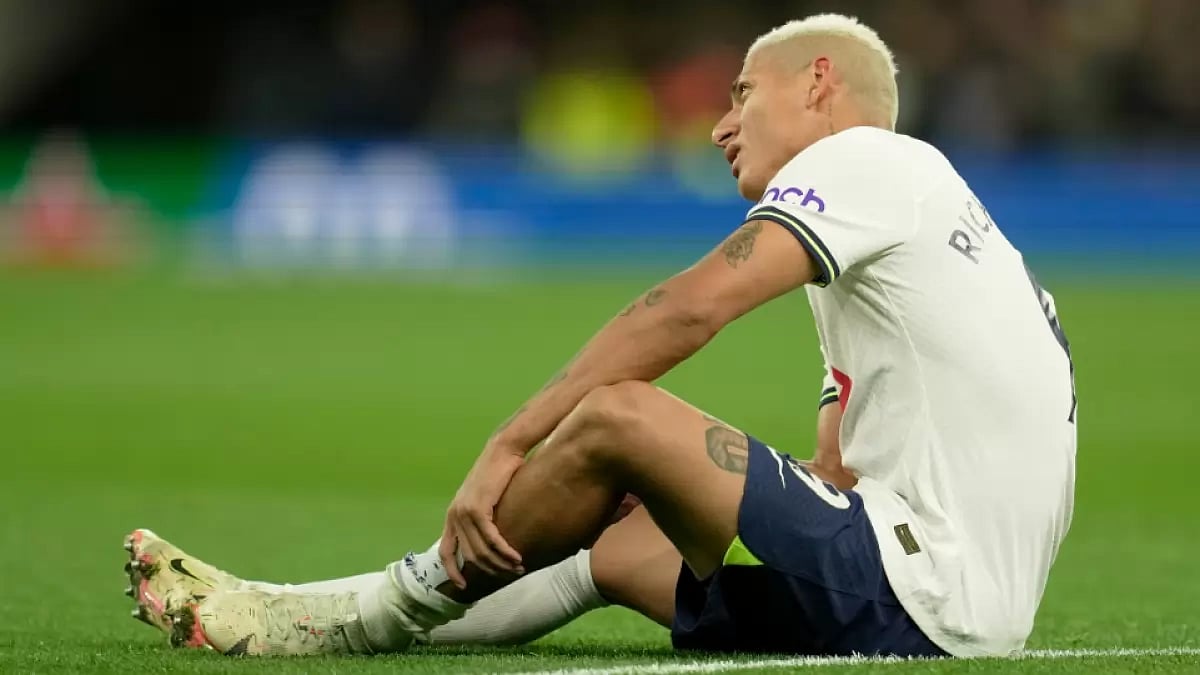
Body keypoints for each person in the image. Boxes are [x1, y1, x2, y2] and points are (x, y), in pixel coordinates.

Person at [123, 13, 1076, 658]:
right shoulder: (951, 243)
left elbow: (687, 308)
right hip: (953, 612)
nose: (722, 126)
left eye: (743, 93)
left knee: (620, 415)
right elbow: (838, 472)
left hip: (920, 589)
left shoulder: (869, 159)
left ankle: (372, 611)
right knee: (616, 547)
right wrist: (681, 487)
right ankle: (307, 615)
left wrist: (511, 442)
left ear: (819, 83)